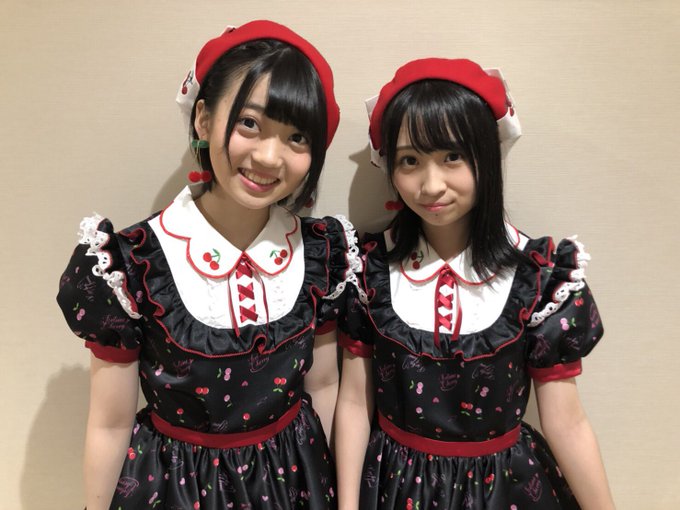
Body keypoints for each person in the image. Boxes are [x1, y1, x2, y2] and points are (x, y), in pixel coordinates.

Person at [57, 20, 360, 509]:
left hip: (295, 481)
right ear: (203, 119)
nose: (269, 157)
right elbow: (110, 423)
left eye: (297, 137)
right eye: (250, 124)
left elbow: (323, 386)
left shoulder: (322, 254)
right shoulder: (132, 264)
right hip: (175, 487)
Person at [335, 58, 615, 509]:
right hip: (394, 488)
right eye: (410, 160)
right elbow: (353, 403)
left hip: (503, 490)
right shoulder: (367, 270)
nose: (431, 185)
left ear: (486, 155)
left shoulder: (541, 279)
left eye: (452, 156)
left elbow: (566, 422)